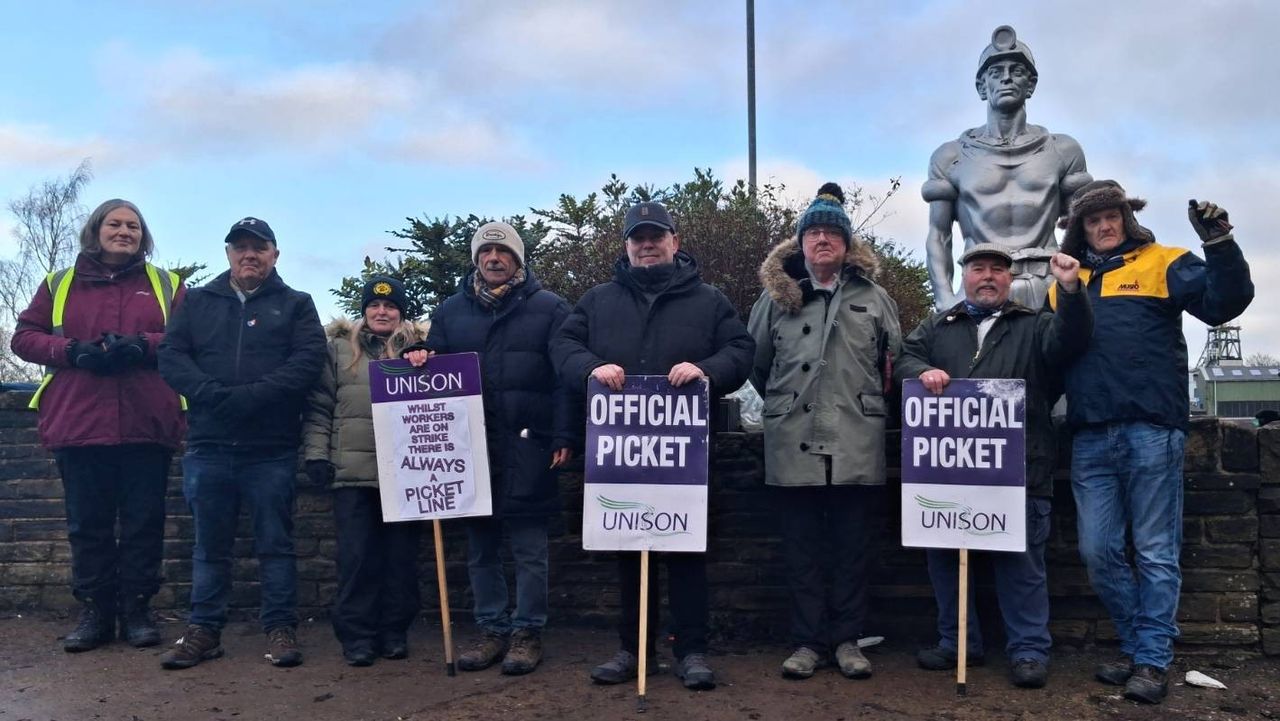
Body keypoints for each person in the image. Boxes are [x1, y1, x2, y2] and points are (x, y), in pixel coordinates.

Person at [1051, 180, 1253, 703]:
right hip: (1091, 434)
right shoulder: (1065, 281)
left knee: (1157, 553)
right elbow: (1056, 352)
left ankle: (1150, 659)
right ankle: (1139, 643)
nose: (1104, 225)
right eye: (1093, 219)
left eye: (1112, 215)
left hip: (1153, 430)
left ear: (1126, 217)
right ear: (1080, 228)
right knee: (1099, 552)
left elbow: (1223, 304)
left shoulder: (1165, 260)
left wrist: (1220, 245)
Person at [551, 201, 754, 690]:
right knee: (628, 554)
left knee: (687, 554)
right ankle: (633, 651)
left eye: (655, 236)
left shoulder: (709, 300)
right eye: (638, 238)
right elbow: (563, 346)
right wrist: (590, 369)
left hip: (683, 456)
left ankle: (692, 652)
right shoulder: (597, 300)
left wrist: (707, 370)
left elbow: (741, 350)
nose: (647, 245)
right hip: (619, 455)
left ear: (674, 242)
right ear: (626, 246)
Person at [895, 243, 1091, 689]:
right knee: (946, 560)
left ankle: (1028, 651)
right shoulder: (937, 325)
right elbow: (904, 359)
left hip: (1020, 470)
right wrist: (922, 371)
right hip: (948, 472)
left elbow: (1071, 342)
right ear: (965, 276)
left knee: (1021, 566)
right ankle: (957, 643)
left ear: (1009, 279)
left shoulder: (1035, 323)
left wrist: (1071, 290)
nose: (987, 277)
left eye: (997, 271)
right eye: (978, 268)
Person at [11, 199, 185, 652]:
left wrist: (143, 346)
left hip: (148, 422)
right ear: (97, 230)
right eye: (114, 223)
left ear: (143, 236)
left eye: (132, 225)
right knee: (87, 526)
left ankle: (137, 613)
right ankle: (95, 614)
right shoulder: (59, 282)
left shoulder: (167, 285)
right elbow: (24, 337)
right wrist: (71, 351)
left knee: (144, 523)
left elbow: (191, 338)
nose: (123, 231)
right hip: (79, 422)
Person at [402, 222, 576, 676]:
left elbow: (564, 380)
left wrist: (565, 435)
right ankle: (491, 629)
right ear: (476, 259)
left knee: (529, 551)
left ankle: (527, 633)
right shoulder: (449, 311)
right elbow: (432, 372)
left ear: (518, 259)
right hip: (469, 450)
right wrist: (420, 354)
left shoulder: (551, 308)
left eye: (503, 251)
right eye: (486, 251)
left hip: (529, 445)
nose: (493, 258)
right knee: (480, 551)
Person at [157, 216, 327, 670]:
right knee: (209, 547)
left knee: (275, 544)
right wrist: (213, 395)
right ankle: (204, 630)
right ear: (228, 253)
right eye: (240, 247)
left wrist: (252, 398)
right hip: (209, 446)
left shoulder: (297, 304)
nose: (249, 254)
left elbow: (307, 362)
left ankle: (280, 627)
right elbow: (172, 356)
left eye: (259, 247)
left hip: (271, 448)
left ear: (275, 254)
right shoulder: (196, 302)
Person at [747, 183, 902, 681]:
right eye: (813, 232)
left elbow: (893, 360)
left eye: (832, 233)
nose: (822, 240)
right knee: (802, 549)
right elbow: (756, 365)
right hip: (793, 442)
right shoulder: (774, 299)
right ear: (800, 243)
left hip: (857, 441)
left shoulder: (875, 298)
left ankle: (848, 641)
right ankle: (809, 641)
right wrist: (788, 403)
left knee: (853, 549)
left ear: (847, 244)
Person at [302, 276, 427, 666]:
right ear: (364, 310)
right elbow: (320, 405)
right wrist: (316, 454)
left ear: (401, 311)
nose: (382, 311)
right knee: (356, 559)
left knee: (401, 560)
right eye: (374, 305)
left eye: (390, 306)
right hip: (352, 473)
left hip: (407, 474)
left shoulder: (419, 350)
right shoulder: (337, 349)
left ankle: (393, 632)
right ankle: (357, 635)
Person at [923, 25, 1092, 310]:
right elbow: (939, 235)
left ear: (1031, 84)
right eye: (995, 72)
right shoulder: (951, 155)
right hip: (981, 288)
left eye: (1016, 71)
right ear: (981, 87)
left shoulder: (1062, 150)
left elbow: (1083, 227)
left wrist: (1081, 287)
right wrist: (944, 300)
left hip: (1049, 284)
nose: (1006, 79)